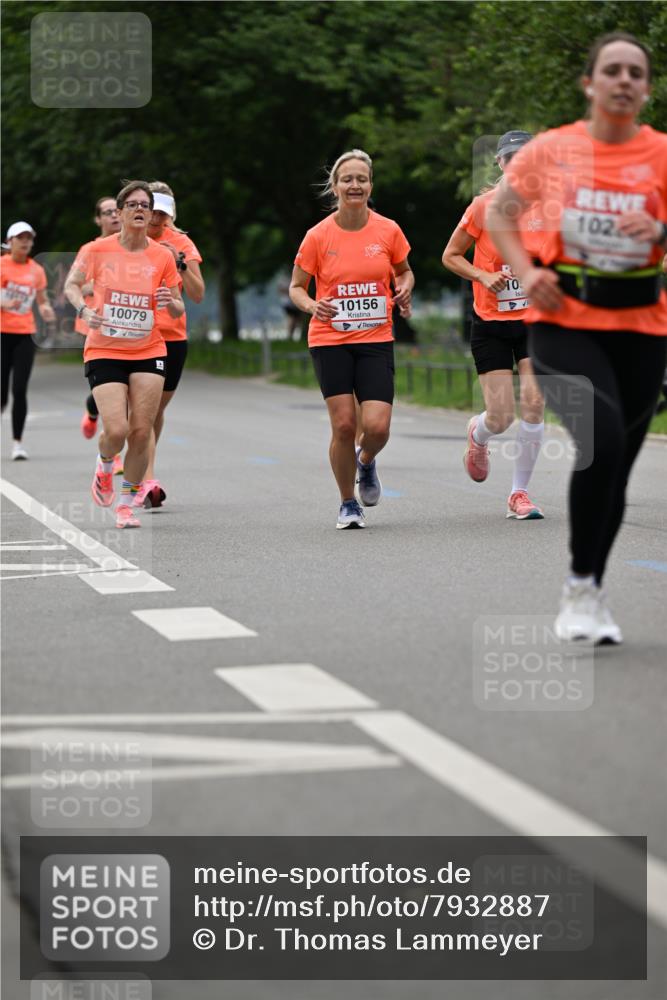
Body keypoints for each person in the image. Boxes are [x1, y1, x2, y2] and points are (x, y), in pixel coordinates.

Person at [488, 31, 667, 643]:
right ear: (590, 83)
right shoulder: (552, 150)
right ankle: (580, 588)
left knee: (615, 466)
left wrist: (661, 229)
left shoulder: (662, 154)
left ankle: (589, 588)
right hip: (564, 319)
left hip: (642, 324)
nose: (623, 80)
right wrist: (529, 268)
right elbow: (499, 212)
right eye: (612, 70)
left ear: (645, 89)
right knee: (603, 439)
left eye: (635, 73)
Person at [289, 149, 414, 529]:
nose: (355, 185)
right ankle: (347, 503)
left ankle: (365, 461)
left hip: (376, 336)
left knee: (376, 427)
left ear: (370, 185)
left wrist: (404, 290)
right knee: (344, 425)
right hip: (330, 338)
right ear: (335, 186)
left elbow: (405, 272)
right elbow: (297, 287)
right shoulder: (318, 236)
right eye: (347, 179)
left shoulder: (388, 230)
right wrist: (312, 306)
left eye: (361, 179)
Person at [65, 181, 184, 528]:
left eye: (145, 205)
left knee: (141, 431)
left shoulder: (162, 255)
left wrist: (170, 302)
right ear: (118, 213)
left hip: (149, 348)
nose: (139, 210)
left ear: (150, 213)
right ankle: (104, 467)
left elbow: (177, 307)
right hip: (104, 347)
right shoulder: (96, 250)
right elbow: (72, 285)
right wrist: (84, 312)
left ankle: (127, 505)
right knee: (116, 430)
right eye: (131, 204)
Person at [443, 131, 547, 520]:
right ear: (501, 163)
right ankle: (478, 434)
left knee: (535, 402)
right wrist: (481, 277)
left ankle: (519, 494)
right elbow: (450, 256)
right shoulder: (482, 207)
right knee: (500, 417)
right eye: (511, 157)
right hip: (490, 323)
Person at [133, 182, 205, 508]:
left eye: (164, 213)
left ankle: (141, 470)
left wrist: (181, 264)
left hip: (173, 337)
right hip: (137, 336)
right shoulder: (129, 241)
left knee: (155, 410)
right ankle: (147, 479)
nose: (157, 219)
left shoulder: (181, 243)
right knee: (142, 412)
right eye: (153, 211)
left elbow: (198, 293)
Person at [1, 222, 56, 459]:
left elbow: (42, 299)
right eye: (20, 238)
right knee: (1, 392)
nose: (25, 242)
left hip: (25, 334)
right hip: (2, 334)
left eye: (29, 238)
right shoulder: (2, 265)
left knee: (20, 389)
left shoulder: (36, 270)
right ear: (10, 241)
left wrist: (46, 309)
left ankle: (17, 444)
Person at [77, 197, 124, 475]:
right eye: (107, 213)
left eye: (116, 211)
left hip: (126, 330)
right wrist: (102, 283)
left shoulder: (133, 246)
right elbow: (77, 287)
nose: (114, 217)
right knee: (106, 394)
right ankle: (111, 450)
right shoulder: (91, 249)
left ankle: (110, 440)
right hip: (97, 328)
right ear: (98, 220)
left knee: (125, 394)